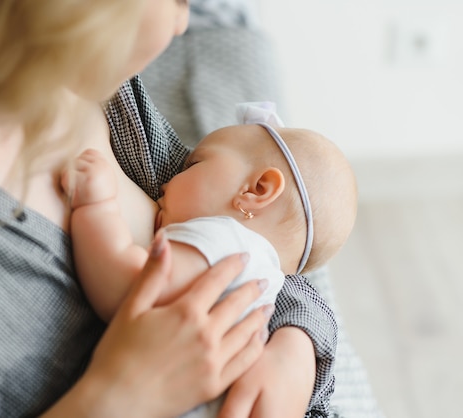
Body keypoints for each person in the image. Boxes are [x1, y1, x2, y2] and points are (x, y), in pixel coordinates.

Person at [0, 0, 336, 417]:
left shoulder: (92, 89)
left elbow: (261, 233)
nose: (184, 22)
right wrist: (118, 396)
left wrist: (296, 344)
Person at [63, 103, 357, 417]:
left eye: (193, 165)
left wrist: (96, 207)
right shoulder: (264, 272)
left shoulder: (226, 240)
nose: (168, 179)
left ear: (256, 191)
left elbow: (125, 288)